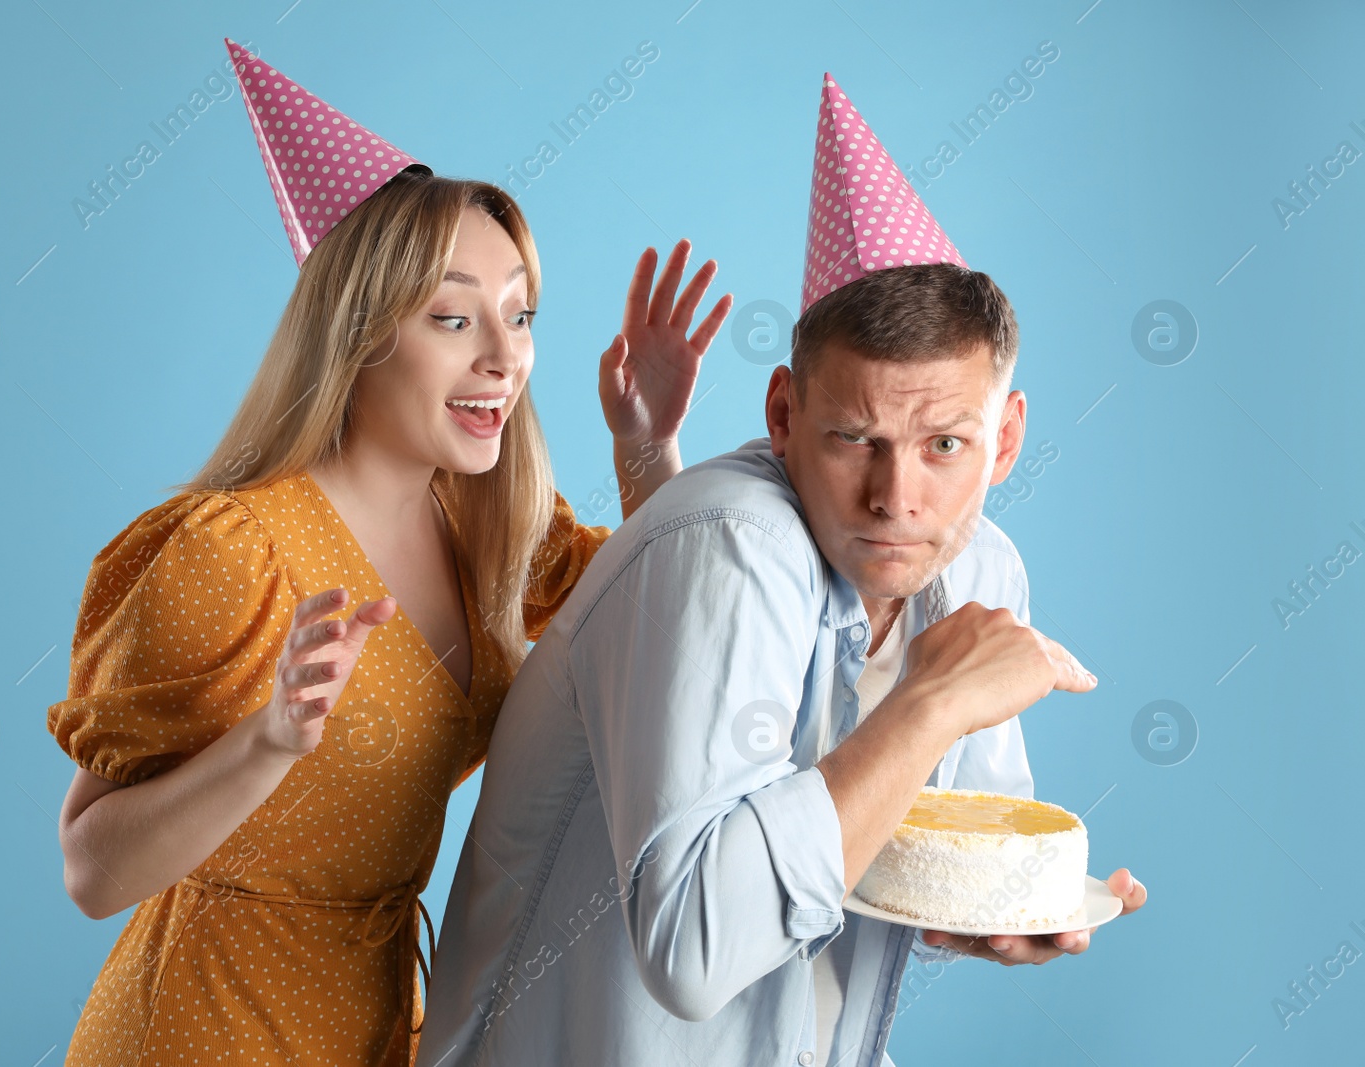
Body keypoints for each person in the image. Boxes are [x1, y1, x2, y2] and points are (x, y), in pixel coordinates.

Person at [420, 73, 1147, 1067]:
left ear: (1007, 437)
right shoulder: (728, 544)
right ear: (782, 417)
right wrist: (927, 704)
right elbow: (692, 949)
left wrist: (997, 913)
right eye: (855, 437)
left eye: (944, 443)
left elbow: (916, 848)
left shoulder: (983, 570)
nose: (897, 497)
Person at [44, 41, 730, 1067]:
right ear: (359, 335)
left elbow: (668, 616)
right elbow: (92, 870)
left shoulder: (491, 523)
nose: (503, 356)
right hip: (202, 1028)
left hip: (378, 1027)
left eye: (519, 312)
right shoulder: (230, 553)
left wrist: (644, 444)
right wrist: (267, 741)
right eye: (454, 317)